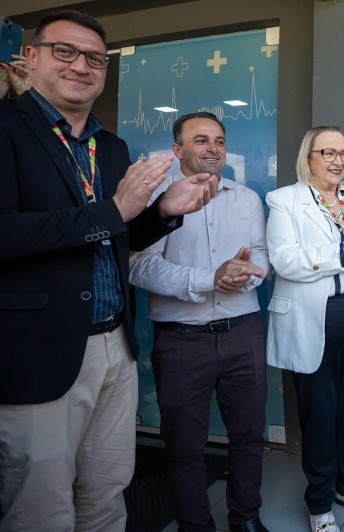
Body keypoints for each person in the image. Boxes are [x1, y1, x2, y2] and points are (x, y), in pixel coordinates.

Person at [0, 10, 216, 532]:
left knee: (107, 491)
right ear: (31, 57)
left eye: (95, 58)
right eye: (64, 52)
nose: (82, 66)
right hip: (40, 352)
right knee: (41, 507)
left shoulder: (111, 147)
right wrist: (112, 212)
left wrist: (163, 212)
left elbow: (118, 235)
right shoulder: (6, 129)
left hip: (115, 348)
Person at [129, 112, 271, 532]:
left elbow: (261, 253)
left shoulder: (246, 199)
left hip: (243, 334)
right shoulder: (158, 203)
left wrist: (247, 271)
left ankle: (245, 518)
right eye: (201, 140)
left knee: (248, 436)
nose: (213, 149)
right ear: (178, 149)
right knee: (184, 446)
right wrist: (208, 280)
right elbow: (138, 267)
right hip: (181, 341)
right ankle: (194, 525)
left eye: (219, 141)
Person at [266, 126, 344, 532]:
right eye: (328, 152)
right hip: (317, 318)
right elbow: (286, 262)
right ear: (309, 158)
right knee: (321, 413)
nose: (339, 160)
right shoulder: (285, 201)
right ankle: (319, 503)